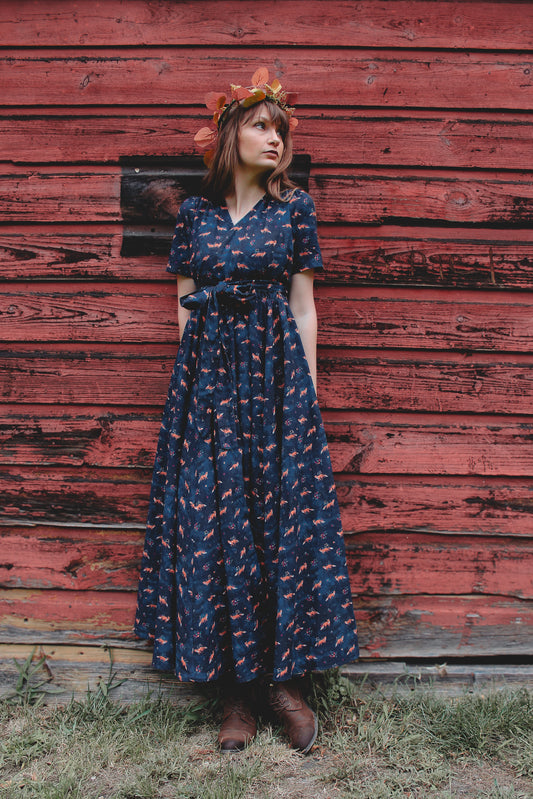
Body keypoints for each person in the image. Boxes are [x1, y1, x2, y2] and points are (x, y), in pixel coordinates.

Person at [134, 68, 358, 754]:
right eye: (262, 126)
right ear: (230, 133)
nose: (275, 140)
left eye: (281, 131)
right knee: (215, 525)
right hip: (207, 389)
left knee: (278, 523)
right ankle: (232, 694)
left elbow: (303, 307)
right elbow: (183, 303)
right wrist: (194, 393)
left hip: (275, 381)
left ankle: (283, 685)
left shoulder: (294, 210)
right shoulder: (195, 217)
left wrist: (306, 396)